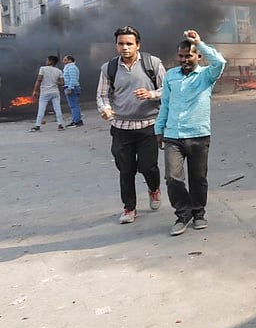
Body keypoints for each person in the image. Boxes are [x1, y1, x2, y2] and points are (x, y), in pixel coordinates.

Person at [154, 30, 227, 236]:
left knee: (198, 178)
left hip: (198, 135)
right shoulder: (171, 76)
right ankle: (183, 214)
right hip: (173, 136)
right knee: (172, 178)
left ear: (198, 56)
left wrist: (199, 42)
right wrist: (159, 128)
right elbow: (165, 104)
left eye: (189, 55)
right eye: (181, 56)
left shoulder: (206, 76)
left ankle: (198, 213)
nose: (185, 60)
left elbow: (220, 62)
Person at [97, 25, 167, 224]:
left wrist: (151, 94)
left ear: (138, 45)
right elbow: (102, 95)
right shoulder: (109, 68)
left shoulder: (152, 63)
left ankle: (154, 188)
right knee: (125, 170)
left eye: (129, 43)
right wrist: (105, 109)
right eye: (121, 44)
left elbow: (168, 88)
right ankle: (129, 208)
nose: (125, 47)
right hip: (121, 128)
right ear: (116, 45)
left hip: (148, 126)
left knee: (148, 166)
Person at [29, 55, 65, 132]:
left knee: (41, 109)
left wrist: (35, 91)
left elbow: (39, 80)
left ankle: (37, 126)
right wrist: (55, 82)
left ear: (51, 61)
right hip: (55, 92)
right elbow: (62, 83)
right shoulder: (59, 71)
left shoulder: (43, 69)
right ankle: (60, 125)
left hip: (45, 92)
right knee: (57, 109)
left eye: (47, 60)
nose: (46, 61)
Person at [62, 55, 83, 127]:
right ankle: (77, 120)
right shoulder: (69, 67)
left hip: (72, 88)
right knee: (74, 105)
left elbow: (73, 79)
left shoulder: (71, 68)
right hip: (72, 87)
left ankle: (76, 121)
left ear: (70, 60)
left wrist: (70, 88)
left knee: (73, 105)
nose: (63, 61)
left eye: (65, 59)